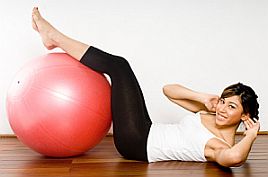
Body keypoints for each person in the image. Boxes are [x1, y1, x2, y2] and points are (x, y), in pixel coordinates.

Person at [31, 7, 260, 167]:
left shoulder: (219, 146)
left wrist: (250, 136)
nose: (222, 109)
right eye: (223, 101)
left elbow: (234, 159)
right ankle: (54, 37)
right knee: (121, 66)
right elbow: (168, 90)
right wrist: (203, 98)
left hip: (137, 143)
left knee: (119, 66)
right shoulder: (211, 113)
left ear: (245, 115)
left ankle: (54, 37)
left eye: (231, 107)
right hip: (147, 129)